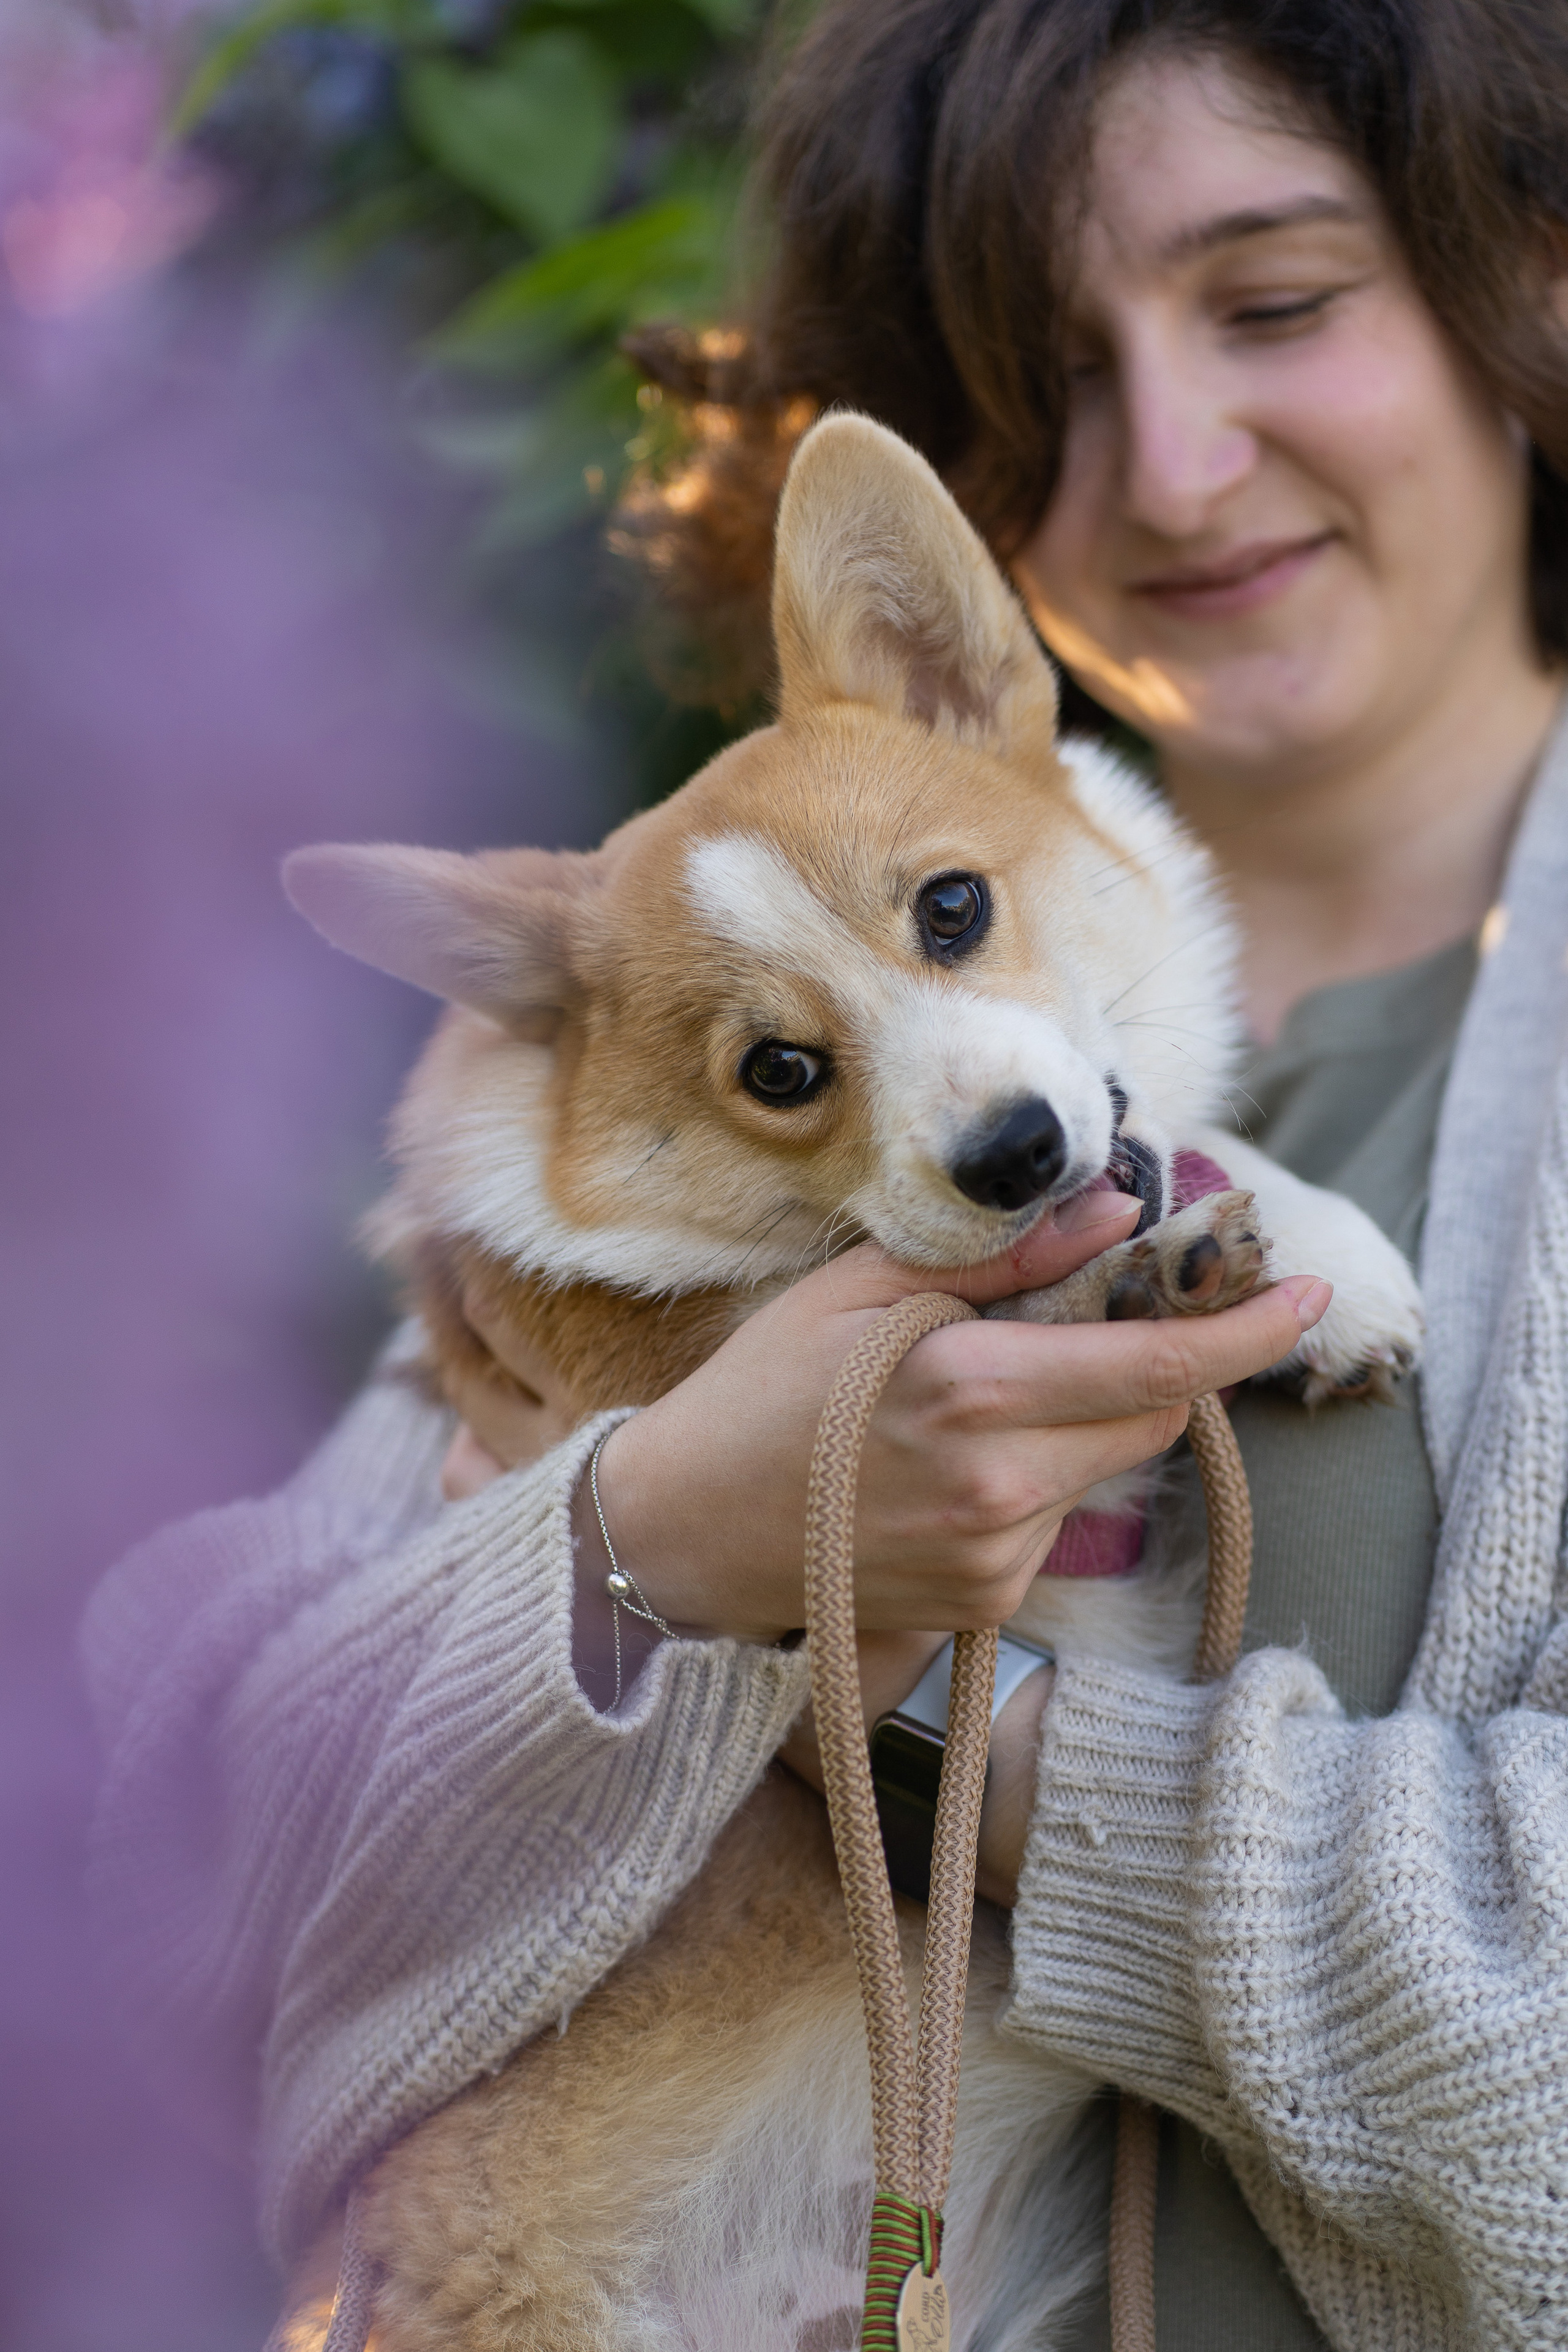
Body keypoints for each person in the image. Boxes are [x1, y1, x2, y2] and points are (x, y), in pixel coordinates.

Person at [83, 2, 1568, 2345]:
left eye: (1278, 302)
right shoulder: (657, 1155)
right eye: (1044, 376)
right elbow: (168, 1874)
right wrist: (645, 1539)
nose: (1180, 468)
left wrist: (912, 1711)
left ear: (1531, 265)